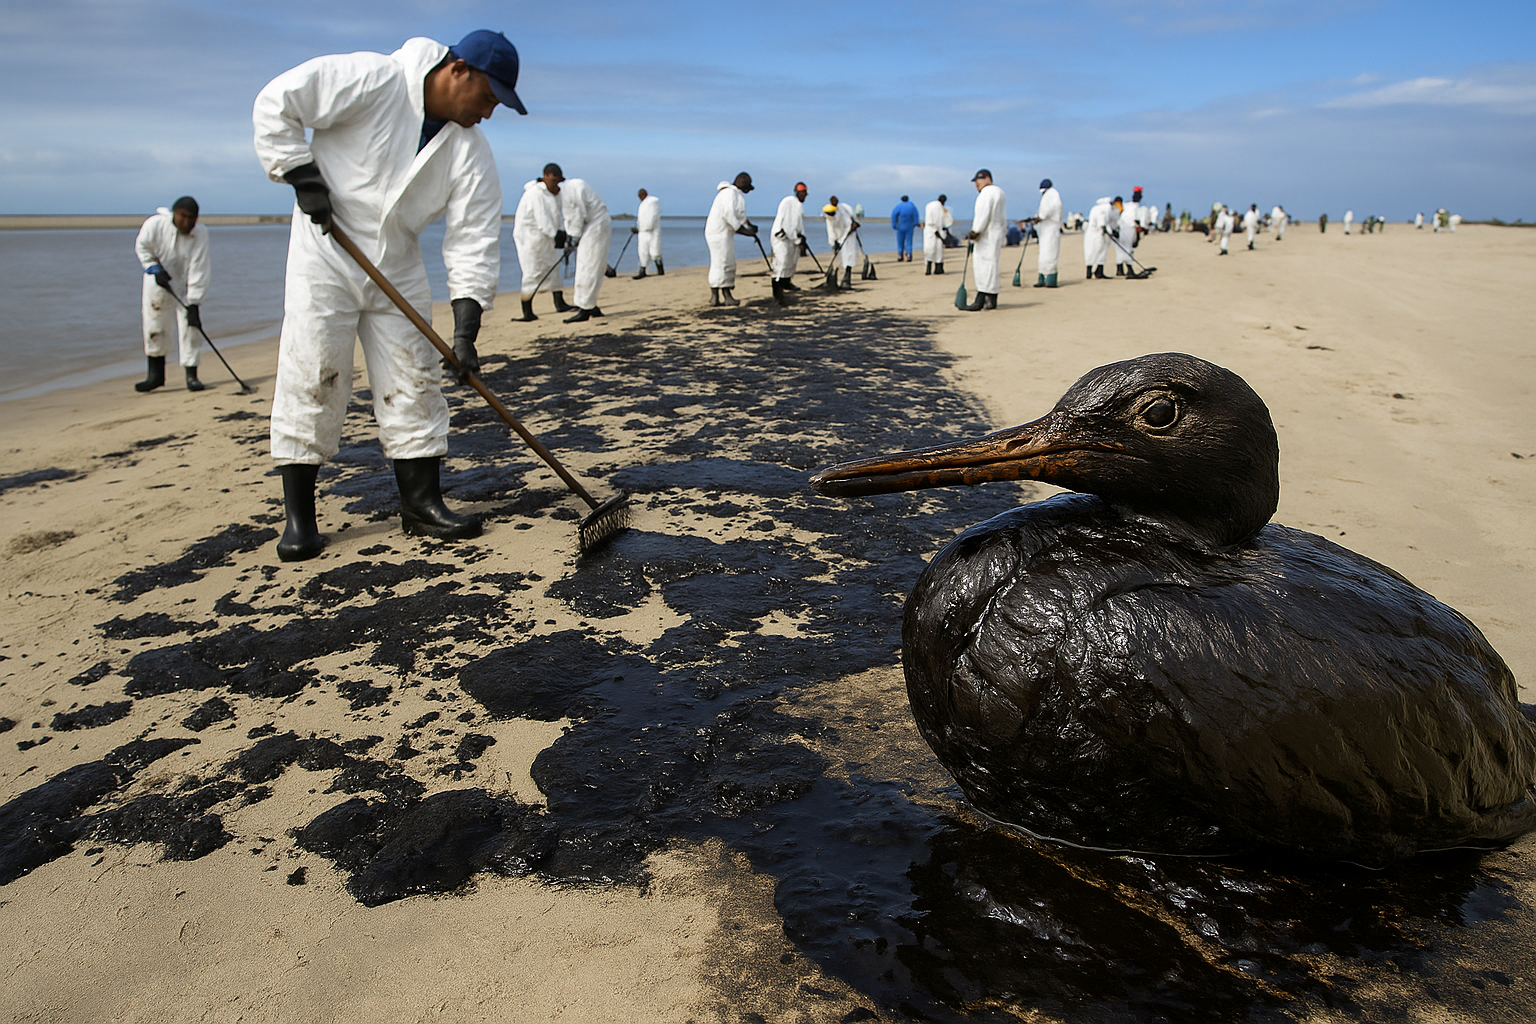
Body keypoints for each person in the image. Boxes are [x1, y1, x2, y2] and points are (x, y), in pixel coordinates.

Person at [253, 29, 522, 562]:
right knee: (313, 374)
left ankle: (421, 505)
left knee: (414, 378)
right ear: (459, 69)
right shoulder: (373, 79)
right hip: (325, 252)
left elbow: (473, 238)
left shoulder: (470, 149)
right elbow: (277, 102)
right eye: (489, 98)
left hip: (396, 263)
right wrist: (301, 173)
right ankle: (299, 521)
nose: (489, 113)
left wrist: (465, 332)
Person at [133, 196, 210, 393]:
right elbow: (143, 247)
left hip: (185, 285)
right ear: (174, 213)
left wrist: (194, 302)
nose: (187, 223)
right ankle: (155, 376)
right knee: (155, 324)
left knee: (190, 327)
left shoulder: (200, 234)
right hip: (158, 281)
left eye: (192, 218)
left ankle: (192, 375)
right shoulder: (154, 225)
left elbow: (199, 268)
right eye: (183, 217)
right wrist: (152, 266)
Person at [513, 164, 570, 321]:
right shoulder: (535, 194)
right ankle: (527, 310)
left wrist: (562, 233)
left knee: (554, 269)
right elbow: (542, 219)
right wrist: (556, 234)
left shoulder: (551, 195)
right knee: (532, 272)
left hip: (545, 239)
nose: (556, 184)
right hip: (531, 240)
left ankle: (559, 302)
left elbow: (556, 217)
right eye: (555, 180)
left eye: (559, 181)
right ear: (546, 175)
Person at [558, 177, 611, 323]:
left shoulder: (569, 191)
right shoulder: (571, 187)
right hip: (594, 225)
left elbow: (575, 215)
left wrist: (572, 237)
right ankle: (590, 305)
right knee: (591, 265)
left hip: (596, 226)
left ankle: (585, 309)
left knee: (588, 266)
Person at [706, 172, 756, 306]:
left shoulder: (731, 194)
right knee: (722, 263)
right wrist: (744, 231)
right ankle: (722, 296)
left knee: (724, 262)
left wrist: (749, 226)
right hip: (719, 234)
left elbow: (739, 214)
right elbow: (729, 215)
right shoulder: (729, 194)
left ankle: (718, 297)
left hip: (721, 233)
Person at [963, 169, 1006, 309]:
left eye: (979, 180)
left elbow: (982, 214)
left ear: (988, 179)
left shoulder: (986, 193)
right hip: (996, 233)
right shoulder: (1000, 192)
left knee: (982, 265)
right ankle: (992, 299)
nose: (977, 183)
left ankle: (980, 299)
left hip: (986, 235)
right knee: (992, 265)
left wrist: (975, 231)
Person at [771, 182, 808, 305]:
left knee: (790, 262)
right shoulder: (791, 203)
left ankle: (786, 283)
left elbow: (797, 224)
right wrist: (797, 239)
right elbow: (789, 225)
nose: (805, 196)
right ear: (798, 192)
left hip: (789, 238)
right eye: (804, 193)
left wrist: (801, 237)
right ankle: (777, 295)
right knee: (780, 265)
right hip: (782, 238)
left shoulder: (796, 204)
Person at [824, 195, 862, 288]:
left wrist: (854, 226)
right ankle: (839, 274)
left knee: (849, 254)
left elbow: (851, 222)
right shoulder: (829, 218)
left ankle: (847, 276)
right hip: (840, 236)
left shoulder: (844, 210)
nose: (831, 215)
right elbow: (831, 232)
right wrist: (834, 243)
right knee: (841, 257)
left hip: (849, 234)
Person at [1032, 178, 1062, 288]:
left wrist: (1038, 218)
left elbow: (1045, 212)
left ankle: (1049, 278)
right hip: (1047, 230)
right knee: (1046, 253)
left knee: (1049, 253)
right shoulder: (1053, 195)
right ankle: (1044, 277)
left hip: (1050, 229)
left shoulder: (1051, 195)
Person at [633, 188, 663, 278]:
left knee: (655, 251)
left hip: (652, 231)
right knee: (643, 251)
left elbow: (652, 216)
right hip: (642, 232)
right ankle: (643, 270)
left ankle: (660, 269)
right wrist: (638, 228)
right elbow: (641, 219)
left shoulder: (652, 202)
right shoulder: (643, 205)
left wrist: (647, 227)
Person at [921, 193, 953, 274]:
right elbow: (948, 221)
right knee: (938, 250)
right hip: (936, 229)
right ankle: (938, 268)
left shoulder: (930, 205)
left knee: (930, 249)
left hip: (931, 229)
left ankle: (929, 269)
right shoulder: (940, 208)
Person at [1084, 196, 1113, 278]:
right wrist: (1105, 231)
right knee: (1101, 252)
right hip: (1098, 234)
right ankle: (1099, 272)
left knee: (1090, 252)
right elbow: (1102, 222)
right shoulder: (1102, 210)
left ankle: (1089, 273)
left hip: (1090, 234)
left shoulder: (1094, 209)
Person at [890, 195, 920, 261]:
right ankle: (908, 254)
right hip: (909, 226)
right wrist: (916, 223)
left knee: (900, 241)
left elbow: (894, 215)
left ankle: (900, 255)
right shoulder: (912, 206)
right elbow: (916, 215)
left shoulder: (899, 206)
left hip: (900, 226)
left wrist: (894, 225)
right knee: (909, 241)